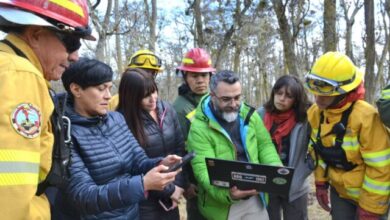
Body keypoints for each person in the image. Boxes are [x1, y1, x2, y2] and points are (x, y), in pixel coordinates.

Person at [0, 1, 95, 219]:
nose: (75, 56)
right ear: (35, 34)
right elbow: (10, 188)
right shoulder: (20, 75)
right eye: (71, 42)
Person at [56, 58, 181, 219]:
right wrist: (143, 183)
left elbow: (139, 161)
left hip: (132, 214)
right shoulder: (65, 133)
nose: (108, 96)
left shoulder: (116, 119)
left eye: (109, 88)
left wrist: (160, 163)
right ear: (76, 89)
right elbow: (83, 195)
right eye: (101, 89)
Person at [305, 52, 390, 220]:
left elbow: (381, 168)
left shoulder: (366, 117)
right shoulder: (315, 113)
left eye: (325, 92)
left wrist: (371, 209)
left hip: (371, 195)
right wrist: (321, 182)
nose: (318, 97)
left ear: (344, 91)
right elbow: (317, 150)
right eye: (315, 90)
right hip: (341, 193)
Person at [187, 70, 282, 220]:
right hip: (223, 206)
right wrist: (228, 195)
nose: (233, 104)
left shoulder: (250, 115)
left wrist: (274, 169)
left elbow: (264, 145)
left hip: (255, 198)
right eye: (226, 99)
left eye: (237, 98)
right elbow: (203, 170)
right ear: (212, 96)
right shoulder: (199, 128)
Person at [116, 68, 186, 220]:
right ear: (131, 97)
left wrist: (178, 187)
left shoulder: (167, 109)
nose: (153, 99)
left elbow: (179, 148)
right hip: (144, 200)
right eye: (145, 96)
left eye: (154, 91)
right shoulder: (122, 121)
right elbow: (132, 166)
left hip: (171, 194)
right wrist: (169, 190)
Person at [258, 75, 312, 220]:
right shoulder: (260, 115)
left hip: (295, 184)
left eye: (288, 96)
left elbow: (316, 146)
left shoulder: (305, 118)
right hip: (267, 183)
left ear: (296, 100)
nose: (282, 99)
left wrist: (305, 169)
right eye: (279, 93)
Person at [172, 47, 216, 220]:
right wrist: (186, 182)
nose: (200, 81)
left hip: (218, 177)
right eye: (194, 76)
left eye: (204, 75)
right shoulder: (179, 109)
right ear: (185, 77)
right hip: (196, 184)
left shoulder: (214, 100)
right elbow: (177, 150)